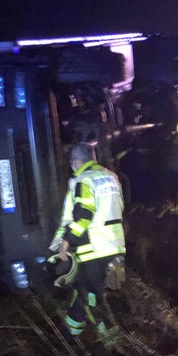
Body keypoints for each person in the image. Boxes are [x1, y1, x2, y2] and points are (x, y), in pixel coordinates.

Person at [50, 143, 126, 343]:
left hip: (93, 249)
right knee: (85, 292)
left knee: (90, 295)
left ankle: (109, 339)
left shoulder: (84, 181)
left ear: (76, 162)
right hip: (114, 246)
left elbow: (83, 216)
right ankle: (70, 335)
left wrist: (66, 243)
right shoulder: (110, 177)